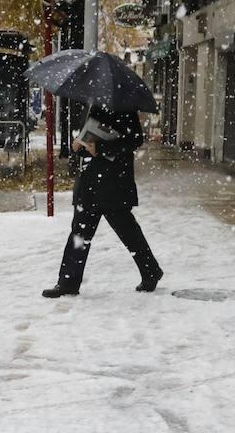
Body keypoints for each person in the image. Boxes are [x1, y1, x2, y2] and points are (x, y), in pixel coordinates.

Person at [43, 103, 162, 298]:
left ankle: (151, 271)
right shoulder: (95, 104)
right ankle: (68, 282)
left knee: (127, 230)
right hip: (91, 183)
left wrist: (101, 148)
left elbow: (134, 139)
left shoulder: (124, 107)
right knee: (80, 232)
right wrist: (79, 146)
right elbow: (89, 141)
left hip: (114, 183)